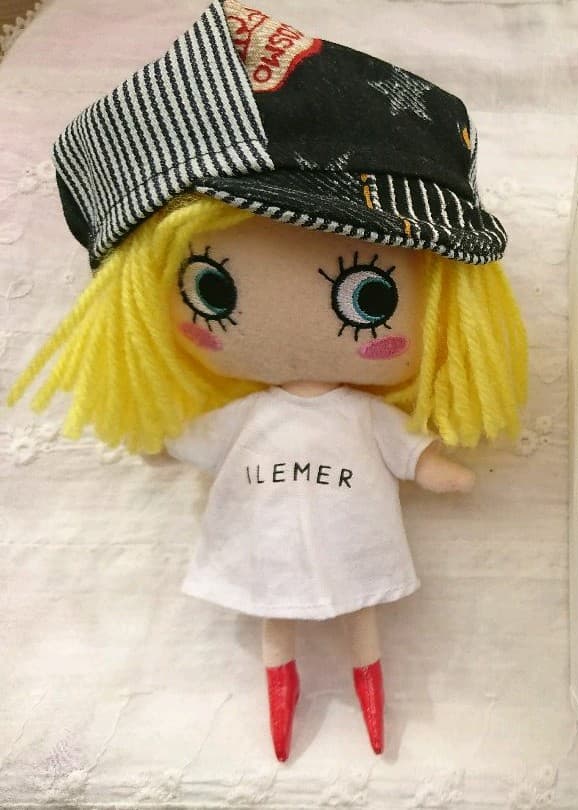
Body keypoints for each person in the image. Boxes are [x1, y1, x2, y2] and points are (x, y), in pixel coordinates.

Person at [8, 0, 526, 761]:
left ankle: (370, 701)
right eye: (212, 290)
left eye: (370, 297)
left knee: (360, 616)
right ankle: (285, 705)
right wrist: (157, 439)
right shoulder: (246, 417)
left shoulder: (356, 416)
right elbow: (178, 443)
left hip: (354, 543)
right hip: (263, 544)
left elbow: (413, 455)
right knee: (274, 621)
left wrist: (435, 466)